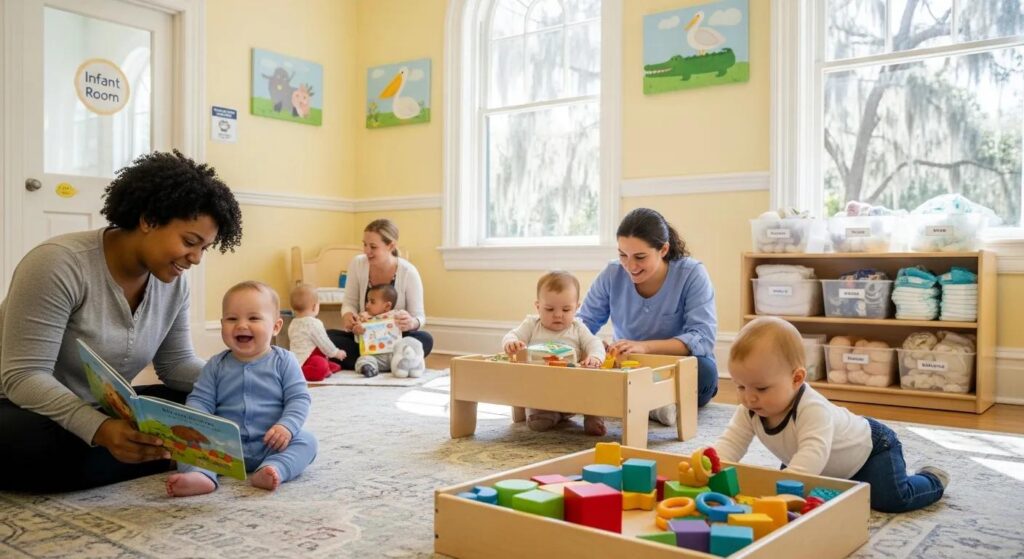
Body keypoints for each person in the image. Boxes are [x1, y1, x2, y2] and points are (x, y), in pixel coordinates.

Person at [0, 150, 243, 492]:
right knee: (32, 448)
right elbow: (24, 376)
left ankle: (148, 453)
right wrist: (99, 429)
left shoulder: (172, 284)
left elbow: (175, 365)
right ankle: (173, 454)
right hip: (23, 407)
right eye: (190, 242)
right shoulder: (57, 264)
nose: (196, 258)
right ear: (149, 220)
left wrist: (238, 380)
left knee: (202, 404)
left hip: (102, 405)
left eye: (204, 248)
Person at [715, 317, 948, 513]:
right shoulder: (749, 410)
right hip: (820, 463)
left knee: (891, 499)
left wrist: (788, 486)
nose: (749, 398)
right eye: (740, 386)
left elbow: (812, 454)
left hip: (871, 451)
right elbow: (730, 444)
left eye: (761, 388)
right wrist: (710, 465)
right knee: (797, 494)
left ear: (796, 379)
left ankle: (932, 478)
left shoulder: (812, 409)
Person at [167, 281, 316, 496]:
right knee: (183, 445)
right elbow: (201, 400)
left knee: (307, 441)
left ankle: (274, 469)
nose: (241, 325)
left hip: (271, 444)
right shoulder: (215, 365)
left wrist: (287, 427)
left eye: (254, 318)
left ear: (276, 326)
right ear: (222, 324)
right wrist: (195, 425)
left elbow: (299, 398)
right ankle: (202, 475)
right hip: (222, 447)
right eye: (232, 319)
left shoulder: (285, 361)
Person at [578, 207, 719, 425]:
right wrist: (594, 346)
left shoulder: (692, 274)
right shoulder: (612, 274)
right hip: (628, 366)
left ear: (663, 249)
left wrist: (645, 347)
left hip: (672, 366)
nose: (630, 266)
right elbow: (582, 323)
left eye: (640, 257)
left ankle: (639, 400)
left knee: (705, 372)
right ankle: (653, 403)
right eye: (623, 255)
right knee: (580, 362)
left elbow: (702, 338)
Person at [502, 271, 607, 435]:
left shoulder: (577, 327)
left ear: (577, 308)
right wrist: (511, 343)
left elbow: (595, 343)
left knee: (594, 389)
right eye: (549, 309)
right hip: (540, 388)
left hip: (575, 387)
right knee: (537, 421)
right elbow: (512, 335)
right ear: (538, 307)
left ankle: (592, 418)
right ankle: (550, 414)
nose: (558, 315)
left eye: (566, 309)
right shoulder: (532, 324)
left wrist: (595, 357)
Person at [327, 219, 432, 369]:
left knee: (424, 339)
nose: (366, 251)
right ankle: (397, 363)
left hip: (395, 341)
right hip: (363, 339)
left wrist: (411, 322)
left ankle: (370, 362)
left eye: (373, 247)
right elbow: (349, 303)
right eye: (364, 244)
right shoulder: (357, 264)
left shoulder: (409, 272)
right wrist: (348, 316)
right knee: (327, 337)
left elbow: (420, 317)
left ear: (391, 246)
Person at [288, 283, 347, 381]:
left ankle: (322, 367)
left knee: (326, 363)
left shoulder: (293, 323)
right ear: (315, 307)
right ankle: (300, 372)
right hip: (307, 359)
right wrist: (336, 352)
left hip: (296, 360)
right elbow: (324, 342)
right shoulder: (314, 323)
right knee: (321, 365)